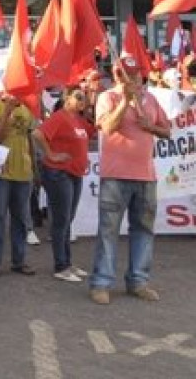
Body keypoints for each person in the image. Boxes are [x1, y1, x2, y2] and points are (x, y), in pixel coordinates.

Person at [89, 56, 170, 305]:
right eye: (123, 74)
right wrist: (125, 100)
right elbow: (108, 128)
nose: (128, 79)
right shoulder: (107, 98)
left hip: (146, 175)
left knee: (144, 230)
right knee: (108, 231)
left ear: (140, 75)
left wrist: (151, 127)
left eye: (133, 74)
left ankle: (139, 281)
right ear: (116, 76)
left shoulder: (151, 99)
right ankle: (102, 282)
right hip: (115, 175)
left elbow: (167, 131)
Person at [32, 87, 96, 282]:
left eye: (83, 97)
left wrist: (91, 106)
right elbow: (37, 134)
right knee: (61, 219)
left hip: (74, 173)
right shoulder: (60, 117)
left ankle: (66, 262)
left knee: (68, 218)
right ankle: (61, 265)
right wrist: (51, 154)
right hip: (59, 173)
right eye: (78, 97)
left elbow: (94, 131)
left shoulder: (78, 119)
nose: (81, 100)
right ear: (67, 98)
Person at [0, 93, 37, 277]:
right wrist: (7, 111)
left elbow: (29, 139)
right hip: (2, 173)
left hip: (24, 173)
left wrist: (35, 168)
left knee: (21, 219)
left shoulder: (27, 109)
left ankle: (19, 261)